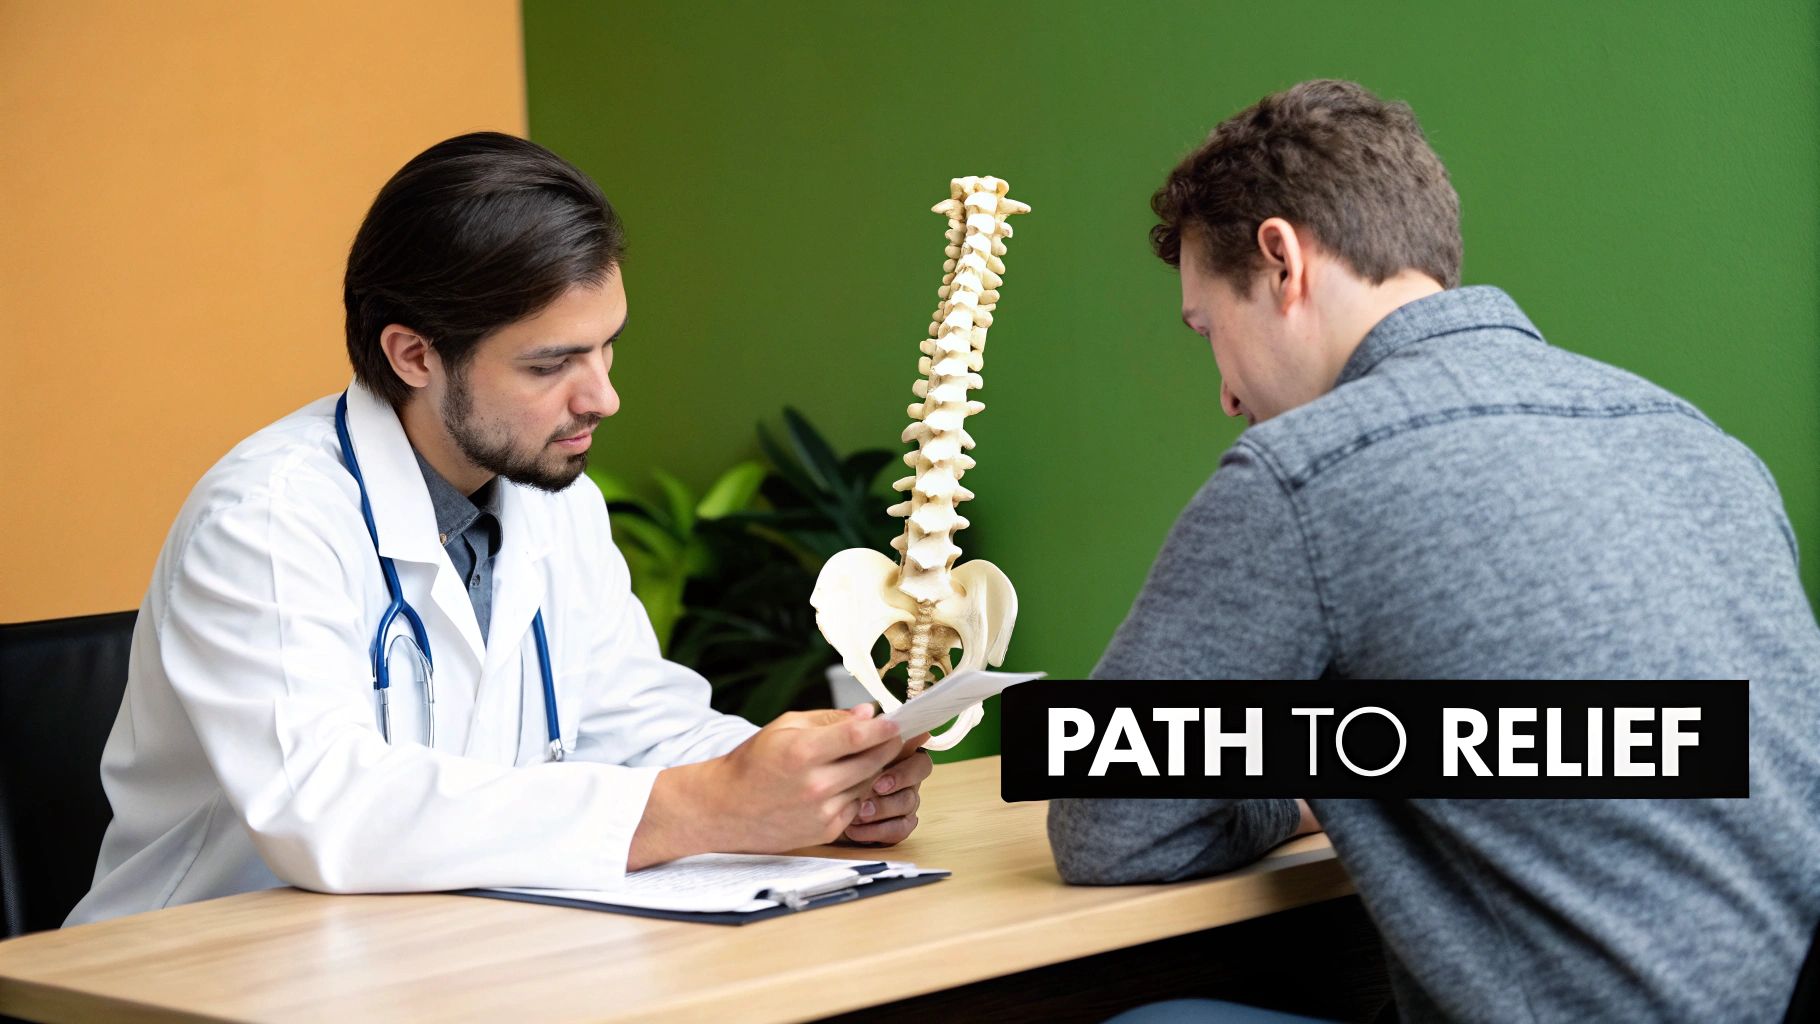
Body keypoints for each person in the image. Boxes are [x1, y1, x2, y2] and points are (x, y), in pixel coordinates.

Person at [1047, 80, 1820, 1022]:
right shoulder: (1703, 443)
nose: (1225, 394)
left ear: (1283, 260)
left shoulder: (1304, 472)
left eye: (1209, 329)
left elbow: (1106, 820)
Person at [69, 133, 930, 926]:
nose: (602, 397)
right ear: (413, 355)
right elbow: (324, 809)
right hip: (197, 975)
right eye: (552, 364)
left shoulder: (554, 496)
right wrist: (702, 805)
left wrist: (811, 781)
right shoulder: (270, 518)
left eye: (606, 348)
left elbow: (638, 727)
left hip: (442, 954)